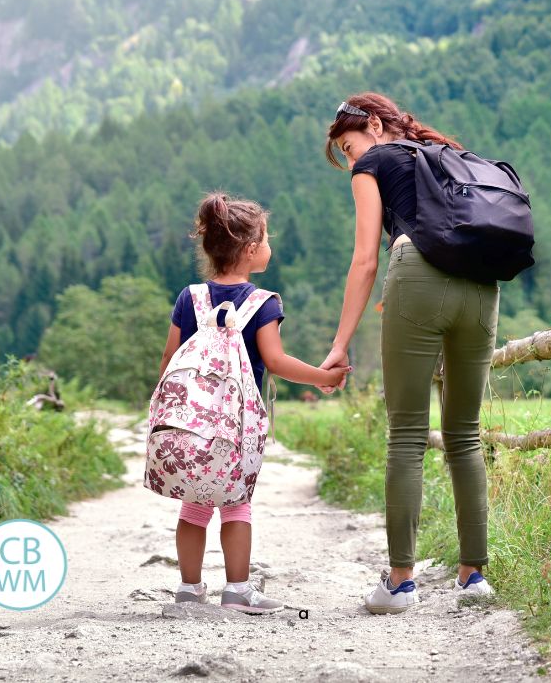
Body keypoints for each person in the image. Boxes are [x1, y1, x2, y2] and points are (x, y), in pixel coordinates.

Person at [321, 93, 498, 614]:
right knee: (465, 433)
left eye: (349, 148)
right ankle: (473, 578)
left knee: (406, 432)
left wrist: (339, 343)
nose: (352, 161)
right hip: (482, 286)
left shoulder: (375, 163)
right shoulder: (449, 155)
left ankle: (400, 583)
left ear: (374, 126)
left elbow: (364, 261)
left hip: (415, 274)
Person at [157, 191, 350, 613]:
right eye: (265, 239)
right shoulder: (263, 303)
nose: (269, 245)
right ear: (249, 250)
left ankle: (189, 589)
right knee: (236, 504)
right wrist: (323, 378)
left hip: (192, 423)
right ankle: (238, 589)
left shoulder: (189, 297)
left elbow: (170, 360)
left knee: (194, 504)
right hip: (237, 427)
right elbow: (276, 361)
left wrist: (168, 413)